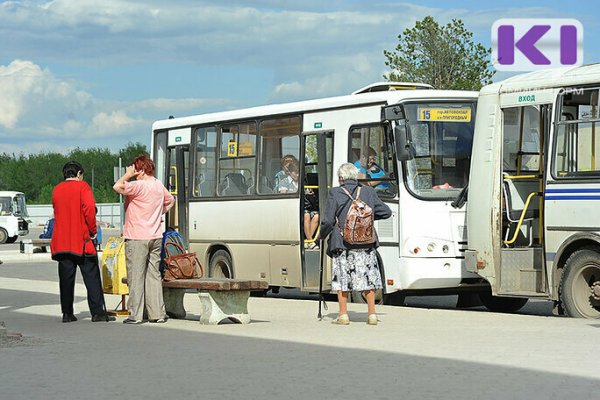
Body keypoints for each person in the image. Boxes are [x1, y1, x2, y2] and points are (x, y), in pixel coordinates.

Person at [320, 163, 392, 325]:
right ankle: (372, 314)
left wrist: (321, 236)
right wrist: (365, 219)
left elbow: (328, 221)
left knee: (343, 278)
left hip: (343, 244)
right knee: (369, 278)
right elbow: (386, 212)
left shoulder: (335, 193)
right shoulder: (368, 191)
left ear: (341, 178)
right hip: (366, 243)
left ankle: (343, 315)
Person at [113, 154, 175, 324]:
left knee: (136, 276)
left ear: (139, 169)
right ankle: (157, 314)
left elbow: (117, 186)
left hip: (137, 237)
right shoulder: (158, 185)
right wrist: (158, 213)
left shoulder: (138, 185)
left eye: (134, 167)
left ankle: (135, 315)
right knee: (153, 275)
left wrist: (128, 175)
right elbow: (171, 200)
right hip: (155, 236)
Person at [51, 161, 112, 323]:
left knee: (65, 280)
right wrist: (93, 231)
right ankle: (98, 312)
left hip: (62, 242)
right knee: (91, 276)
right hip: (82, 240)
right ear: (78, 174)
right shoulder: (82, 187)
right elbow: (90, 208)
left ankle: (67, 313)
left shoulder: (56, 189)